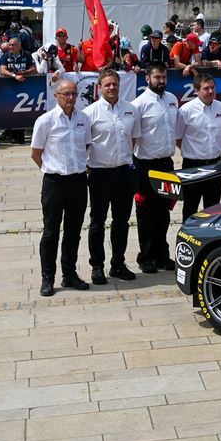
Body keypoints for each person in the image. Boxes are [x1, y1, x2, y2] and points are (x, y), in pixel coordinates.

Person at [31, 78, 92, 296]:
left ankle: (69, 274)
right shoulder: (45, 121)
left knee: (73, 231)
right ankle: (47, 278)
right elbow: (36, 153)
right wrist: (51, 169)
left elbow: (86, 146)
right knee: (51, 232)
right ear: (56, 95)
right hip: (54, 183)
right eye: (66, 93)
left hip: (78, 182)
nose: (70, 98)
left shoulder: (83, 119)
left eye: (74, 93)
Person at [82, 69, 139, 284]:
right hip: (100, 173)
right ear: (100, 87)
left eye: (115, 84)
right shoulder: (90, 113)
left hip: (124, 172)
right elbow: (85, 144)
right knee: (97, 221)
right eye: (107, 85)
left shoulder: (131, 110)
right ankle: (97, 266)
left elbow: (134, 139)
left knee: (121, 221)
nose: (112, 88)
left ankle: (118, 264)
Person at [132, 63, 180, 274]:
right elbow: (133, 137)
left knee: (164, 212)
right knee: (146, 212)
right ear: (147, 79)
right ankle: (146, 257)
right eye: (157, 77)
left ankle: (162, 255)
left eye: (163, 77)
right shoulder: (139, 104)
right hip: (146, 165)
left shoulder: (172, 99)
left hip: (166, 164)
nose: (161, 81)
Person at [175, 72, 221, 221]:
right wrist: (193, 152)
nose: (210, 91)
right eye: (206, 88)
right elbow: (178, 137)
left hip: (216, 164)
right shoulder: (185, 111)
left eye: (212, 88)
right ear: (196, 90)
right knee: (190, 206)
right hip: (193, 166)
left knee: (213, 207)